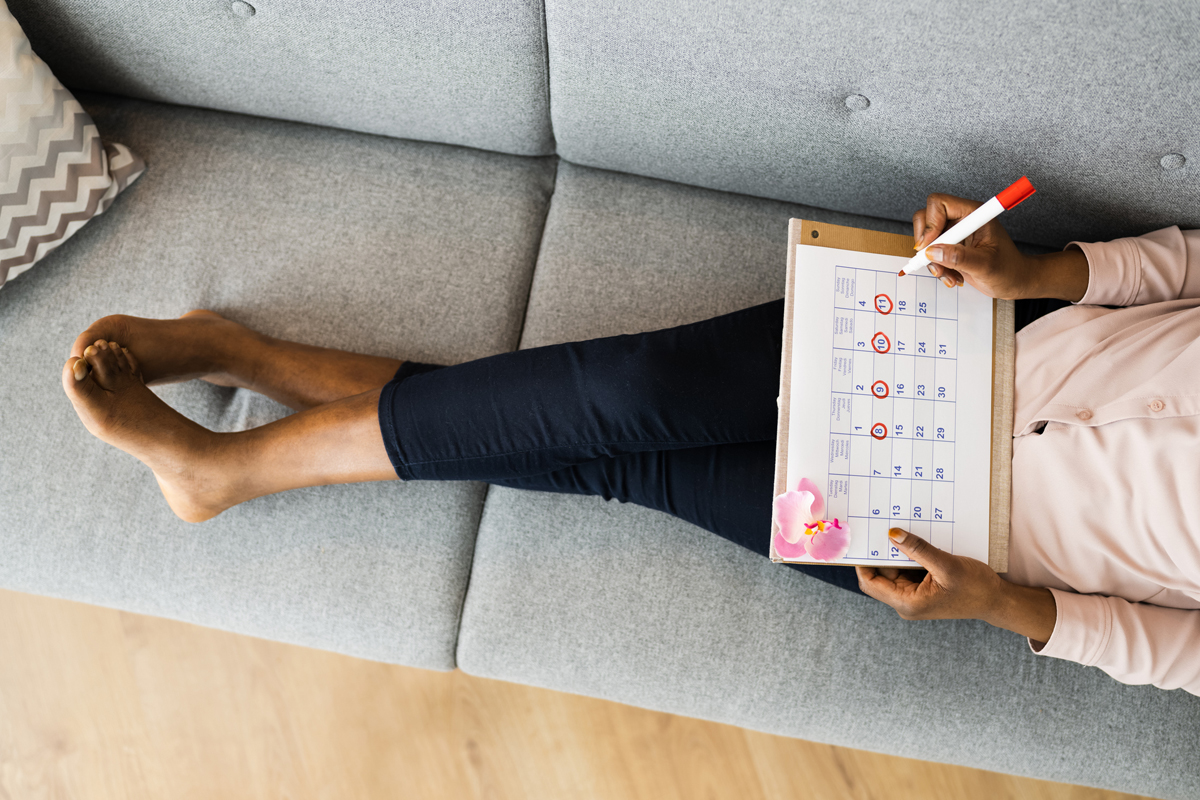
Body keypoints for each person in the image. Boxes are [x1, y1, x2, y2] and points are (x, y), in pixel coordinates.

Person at [61, 194, 1200, 695]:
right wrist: (1039, 270)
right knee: (632, 386)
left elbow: (1176, 658)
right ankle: (239, 429)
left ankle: (250, 402)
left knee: (620, 456)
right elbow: (1189, 264)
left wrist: (996, 606)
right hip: (986, 344)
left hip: (963, 536)